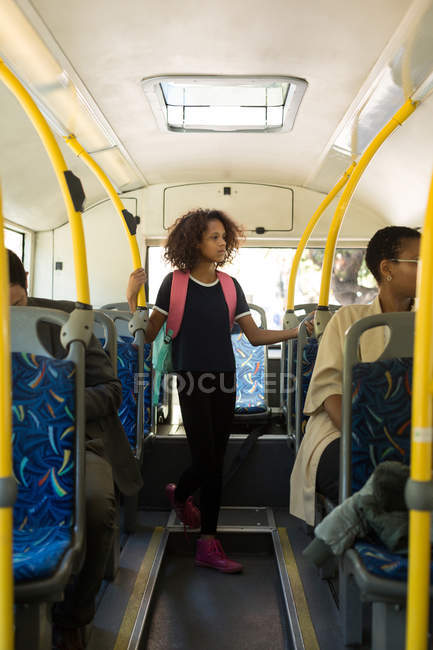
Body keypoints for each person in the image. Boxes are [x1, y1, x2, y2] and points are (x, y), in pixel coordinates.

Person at [127, 208, 308, 573]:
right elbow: (146, 336)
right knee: (207, 459)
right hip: (191, 379)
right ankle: (208, 542)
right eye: (214, 237)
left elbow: (255, 337)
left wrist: (298, 331)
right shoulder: (173, 284)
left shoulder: (230, 286)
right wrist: (132, 300)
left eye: (224, 237)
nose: (222, 243)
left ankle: (179, 495)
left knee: (215, 455)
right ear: (195, 241)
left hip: (226, 378)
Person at [8, 250, 143, 650]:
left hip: (69, 442)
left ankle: (74, 616)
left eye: (14, 304)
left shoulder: (67, 320)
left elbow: (112, 390)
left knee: (95, 503)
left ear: (27, 282)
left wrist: (54, 405)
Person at [290, 226, 420, 526]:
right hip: (343, 430)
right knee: (367, 473)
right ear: (387, 269)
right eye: (418, 261)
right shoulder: (349, 321)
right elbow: (329, 391)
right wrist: (369, 440)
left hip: (416, 433)